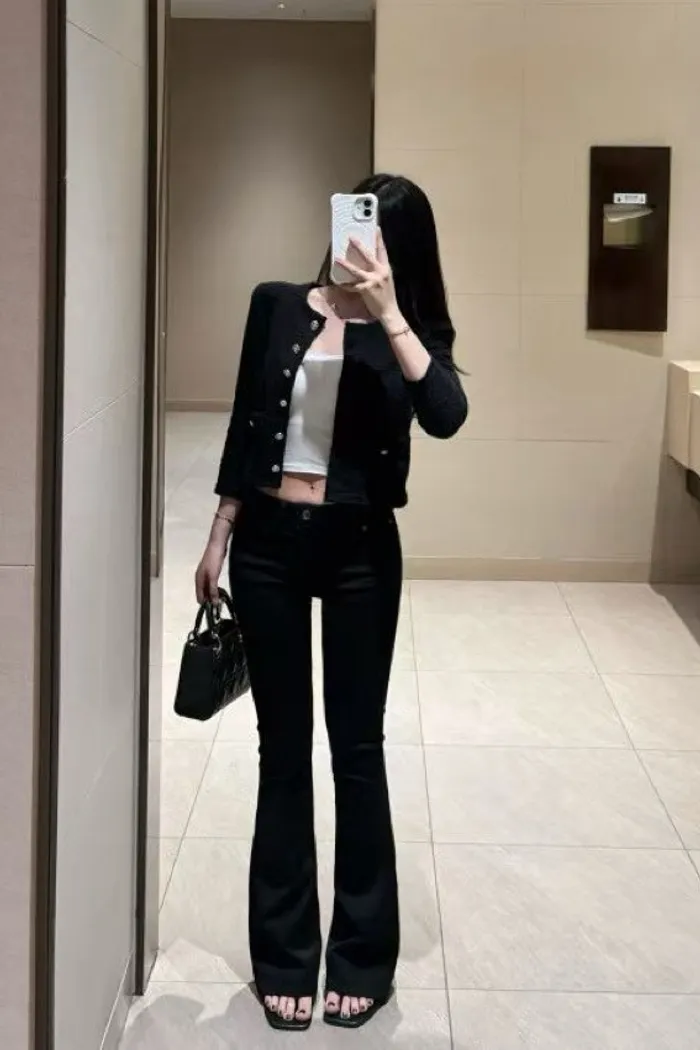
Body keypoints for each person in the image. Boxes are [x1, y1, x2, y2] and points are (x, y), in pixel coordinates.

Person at [195, 173, 468, 1031]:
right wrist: (221, 529)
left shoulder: (409, 334)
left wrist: (389, 312)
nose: (360, 245)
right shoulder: (277, 304)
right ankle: (283, 956)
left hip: (359, 553)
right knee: (282, 750)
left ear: (403, 249)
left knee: (357, 751)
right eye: (355, 224)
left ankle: (360, 957)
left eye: (380, 234)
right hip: (268, 548)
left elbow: (447, 414)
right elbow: (246, 423)